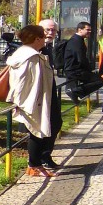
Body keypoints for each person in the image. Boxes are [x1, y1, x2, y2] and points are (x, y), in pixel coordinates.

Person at [7, 25, 56, 178]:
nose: (45, 38)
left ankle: (35, 164)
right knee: (37, 131)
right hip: (34, 101)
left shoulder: (23, 54)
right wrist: (31, 101)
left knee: (38, 131)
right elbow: (30, 82)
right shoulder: (32, 57)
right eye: (43, 36)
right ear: (37, 39)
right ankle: (34, 165)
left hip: (31, 100)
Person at [37, 19, 63, 170]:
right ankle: (40, 158)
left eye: (53, 30)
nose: (50, 33)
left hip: (50, 92)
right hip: (40, 95)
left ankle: (45, 155)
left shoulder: (48, 48)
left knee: (55, 122)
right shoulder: (37, 49)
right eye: (47, 30)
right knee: (46, 124)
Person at [63, 21, 103, 102]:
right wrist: (89, 70)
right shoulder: (76, 41)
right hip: (75, 71)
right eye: (87, 30)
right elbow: (81, 58)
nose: (90, 32)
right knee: (99, 81)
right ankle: (75, 91)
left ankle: (74, 91)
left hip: (74, 69)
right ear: (80, 30)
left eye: (90, 30)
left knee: (97, 79)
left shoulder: (78, 39)